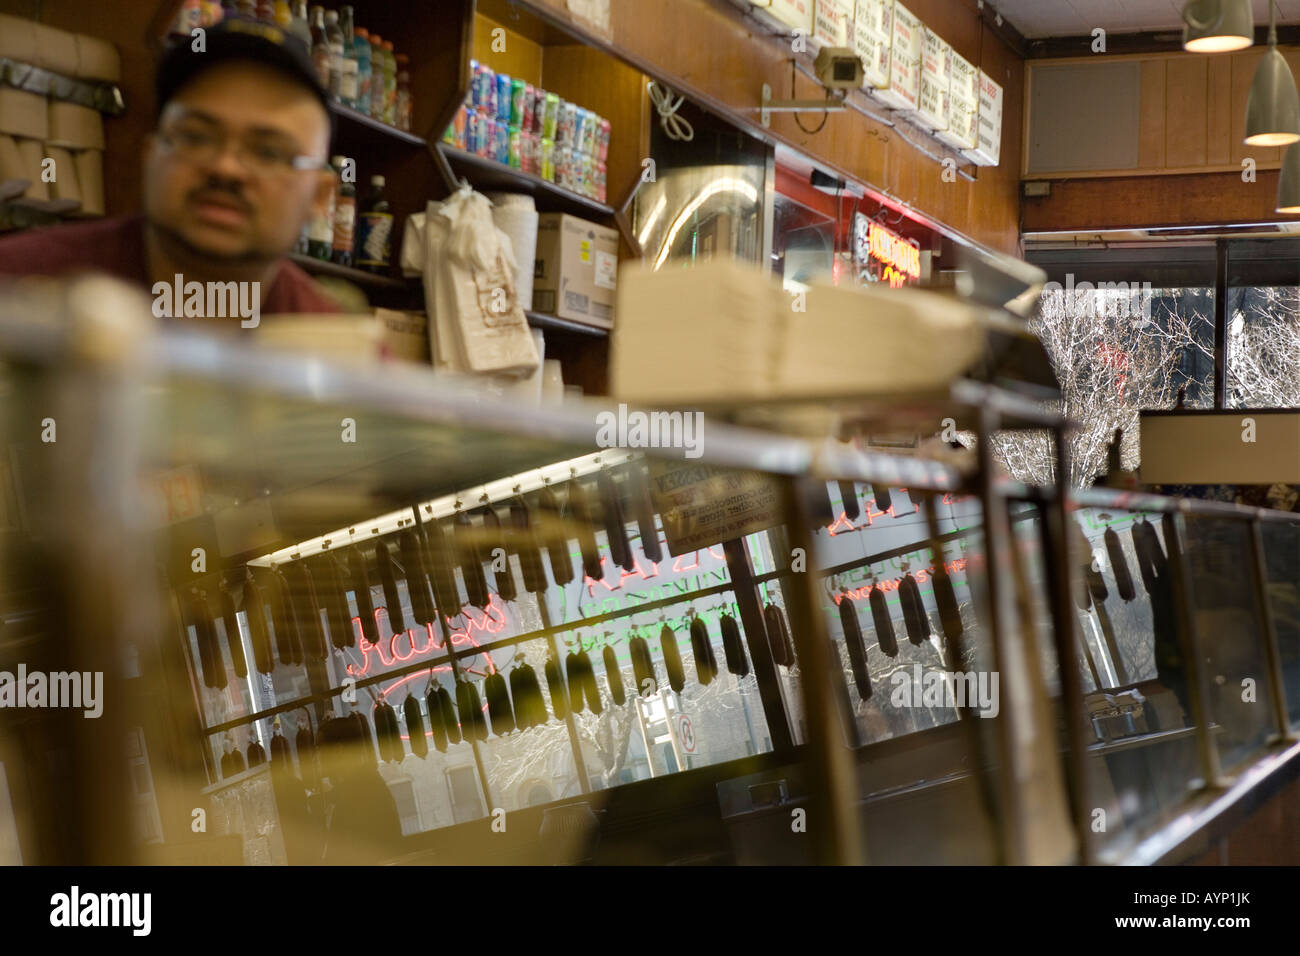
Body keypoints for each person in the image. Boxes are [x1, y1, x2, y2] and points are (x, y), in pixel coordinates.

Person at [0, 18, 341, 316]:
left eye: (268, 152)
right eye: (195, 137)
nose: (225, 168)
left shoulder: (348, 371)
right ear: (149, 156)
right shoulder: (16, 288)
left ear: (320, 196)